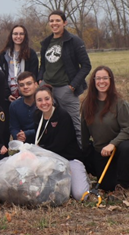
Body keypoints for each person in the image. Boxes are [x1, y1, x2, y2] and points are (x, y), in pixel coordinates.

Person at [81, 66, 129, 192]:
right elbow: (84, 134)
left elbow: (128, 129)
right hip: (101, 150)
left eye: (105, 78)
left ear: (111, 80)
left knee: (126, 148)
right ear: (93, 81)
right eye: (98, 78)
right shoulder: (87, 105)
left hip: (120, 147)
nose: (101, 82)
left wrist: (112, 144)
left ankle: (123, 185)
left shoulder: (120, 103)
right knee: (108, 186)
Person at [38, 10, 91, 143]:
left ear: (64, 23)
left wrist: (72, 86)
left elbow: (86, 65)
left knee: (74, 125)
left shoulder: (73, 41)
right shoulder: (46, 42)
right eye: (51, 21)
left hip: (65, 89)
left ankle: (80, 156)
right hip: (47, 89)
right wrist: (40, 80)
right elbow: (43, 64)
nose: (54, 23)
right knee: (49, 124)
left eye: (57, 20)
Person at [33, 85, 88, 199]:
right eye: (39, 100)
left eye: (47, 99)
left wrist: (39, 151)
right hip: (49, 161)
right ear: (35, 102)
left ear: (52, 98)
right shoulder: (37, 116)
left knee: (80, 195)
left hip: (69, 160)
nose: (44, 103)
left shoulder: (62, 116)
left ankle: (80, 177)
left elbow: (58, 145)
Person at [0, 24, 39, 100]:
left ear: (25, 36)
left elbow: (33, 75)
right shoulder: (3, 54)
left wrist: (24, 94)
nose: (18, 36)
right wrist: (7, 94)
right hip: (7, 95)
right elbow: (1, 76)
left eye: (21, 34)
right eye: (15, 34)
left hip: (26, 94)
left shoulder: (31, 54)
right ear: (11, 36)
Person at [8, 71, 39, 143]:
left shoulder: (44, 103)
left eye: (29, 84)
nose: (25, 87)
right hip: (23, 144)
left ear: (36, 84)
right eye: (21, 85)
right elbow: (13, 128)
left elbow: (46, 128)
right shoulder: (14, 106)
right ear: (18, 88)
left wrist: (27, 133)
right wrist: (18, 136)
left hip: (44, 142)